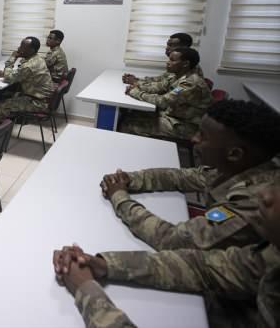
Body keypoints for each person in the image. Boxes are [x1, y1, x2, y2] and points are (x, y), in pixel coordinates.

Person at [53, 181, 280, 328]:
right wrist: (105, 264)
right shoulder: (272, 256)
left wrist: (87, 291)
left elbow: (173, 240)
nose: (265, 194)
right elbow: (203, 267)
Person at [101, 99, 280, 251]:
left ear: (234, 154)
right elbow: (181, 177)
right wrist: (130, 179)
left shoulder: (255, 202)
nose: (194, 139)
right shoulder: (235, 167)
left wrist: (119, 196)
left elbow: (171, 240)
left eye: (203, 136)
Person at [119, 47, 211, 140]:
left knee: (128, 124)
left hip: (185, 125)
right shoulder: (177, 76)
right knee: (131, 114)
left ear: (185, 64)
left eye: (172, 60)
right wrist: (136, 83)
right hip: (172, 115)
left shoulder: (190, 83)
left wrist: (136, 92)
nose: (168, 62)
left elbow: (164, 101)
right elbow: (157, 87)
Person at [0, 36, 55, 127]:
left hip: (38, 103)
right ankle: (0, 126)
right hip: (40, 98)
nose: (19, 48)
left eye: (23, 47)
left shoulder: (29, 65)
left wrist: (12, 58)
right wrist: (5, 73)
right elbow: (21, 74)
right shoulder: (38, 59)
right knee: (4, 94)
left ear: (32, 50)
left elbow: (9, 79)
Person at [122, 32, 203, 87]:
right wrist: (136, 79)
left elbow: (162, 89)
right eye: (168, 44)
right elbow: (160, 80)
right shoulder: (175, 64)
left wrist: (135, 82)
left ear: (184, 48)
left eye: (172, 45)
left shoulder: (187, 68)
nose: (167, 48)